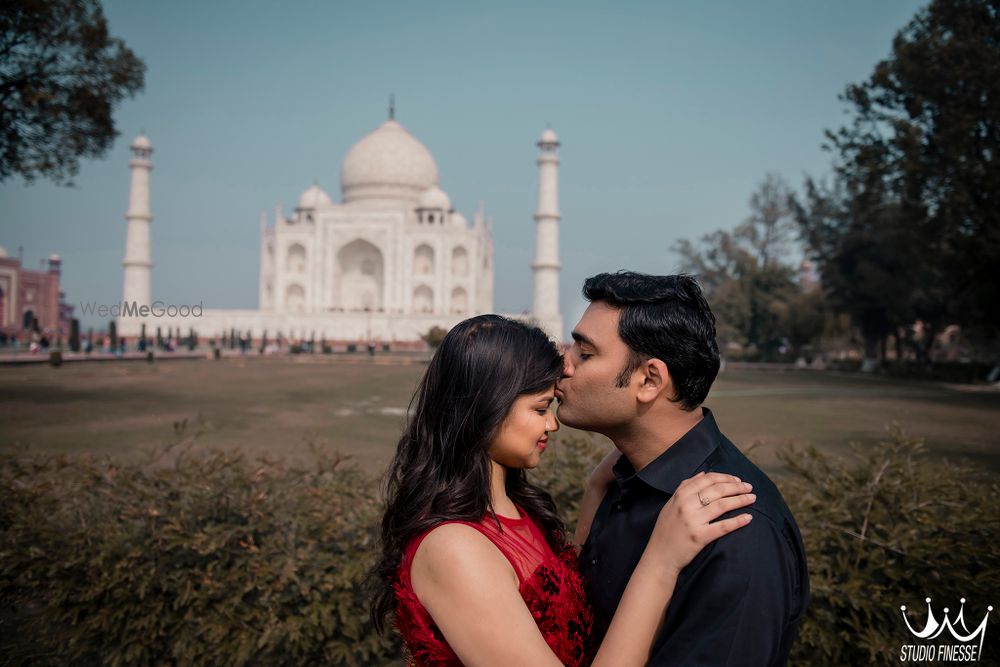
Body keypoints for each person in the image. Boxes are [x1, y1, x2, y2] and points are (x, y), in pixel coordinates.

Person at [370, 314, 757, 666]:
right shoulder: (454, 549)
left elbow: (565, 597)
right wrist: (661, 562)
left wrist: (597, 485)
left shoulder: (515, 509)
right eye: (540, 409)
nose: (552, 424)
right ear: (484, 410)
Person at [558, 272, 810, 666]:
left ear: (649, 380)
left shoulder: (736, 528)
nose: (564, 363)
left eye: (585, 354)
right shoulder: (623, 479)